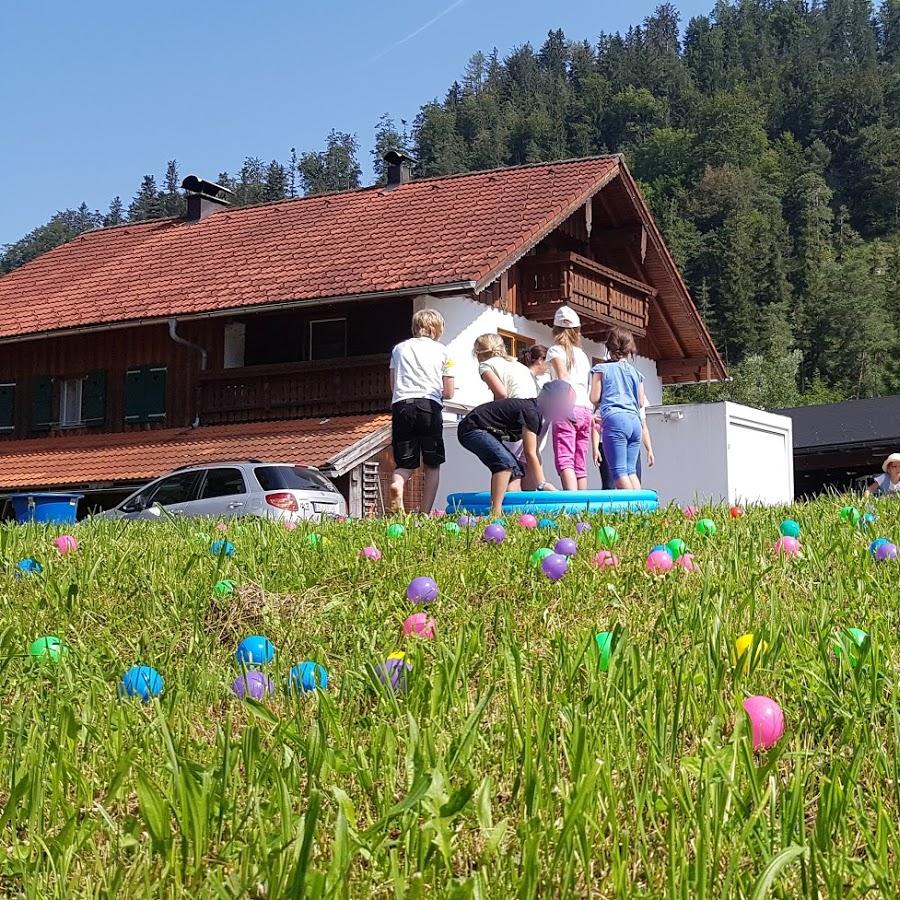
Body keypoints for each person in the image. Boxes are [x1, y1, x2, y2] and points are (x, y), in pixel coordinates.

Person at [457, 381, 573, 518]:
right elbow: (530, 452)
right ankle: (496, 513)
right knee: (504, 465)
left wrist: (541, 483)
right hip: (473, 428)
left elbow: (534, 452)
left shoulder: (540, 416)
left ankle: (513, 514)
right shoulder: (532, 412)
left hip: (486, 430)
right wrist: (542, 484)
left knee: (516, 471)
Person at [389, 308, 455, 514]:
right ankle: (424, 513)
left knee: (405, 463)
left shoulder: (398, 349)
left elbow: (393, 385)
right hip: (429, 406)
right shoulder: (443, 351)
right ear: (437, 329)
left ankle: (398, 484)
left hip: (402, 405)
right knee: (432, 465)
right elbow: (449, 391)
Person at [589, 327, 648, 490]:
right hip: (635, 422)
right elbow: (641, 402)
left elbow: (594, 398)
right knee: (631, 471)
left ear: (609, 347)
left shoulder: (601, 369)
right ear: (630, 348)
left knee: (619, 472)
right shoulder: (637, 373)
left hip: (615, 420)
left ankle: (632, 509)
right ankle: (642, 509)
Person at [546, 307, 592, 491]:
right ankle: (584, 507)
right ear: (577, 332)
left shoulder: (555, 351)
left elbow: (563, 377)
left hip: (566, 406)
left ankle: (572, 504)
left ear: (555, 330)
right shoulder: (582, 355)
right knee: (580, 461)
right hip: (585, 409)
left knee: (565, 459)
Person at [473, 334, 538, 401]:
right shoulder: (520, 366)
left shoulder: (486, 365)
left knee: (479, 411)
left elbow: (501, 395)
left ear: (478, 353)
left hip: (515, 405)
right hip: (533, 407)